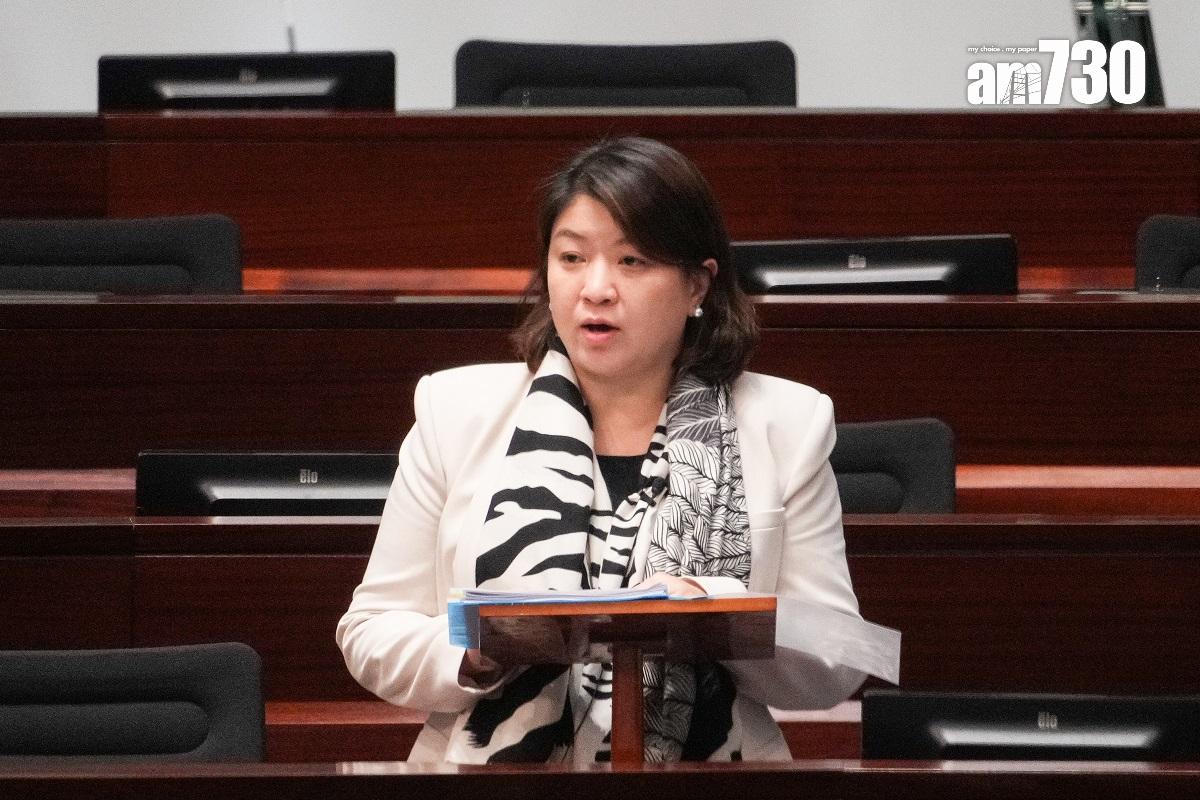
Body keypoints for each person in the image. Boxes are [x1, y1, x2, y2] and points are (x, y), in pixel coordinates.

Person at [337, 136, 865, 764]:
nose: (596, 288)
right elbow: (371, 630)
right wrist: (475, 654)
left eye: (632, 261)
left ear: (697, 285)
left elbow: (838, 658)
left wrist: (723, 621)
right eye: (571, 258)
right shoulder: (454, 411)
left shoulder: (788, 424)